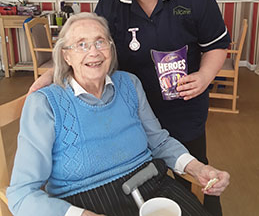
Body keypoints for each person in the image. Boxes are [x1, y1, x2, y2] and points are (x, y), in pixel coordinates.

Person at [28, 0, 231, 215]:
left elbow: (216, 45)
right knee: (152, 172)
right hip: (132, 109)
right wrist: (55, 70)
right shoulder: (111, 4)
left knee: (193, 172)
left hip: (184, 105)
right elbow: (89, 47)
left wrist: (204, 75)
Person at [7, 13, 229, 216]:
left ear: (111, 49)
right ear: (66, 56)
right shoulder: (44, 104)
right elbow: (22, 194)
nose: (93, 51)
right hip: (84, 202)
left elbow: (159, 142)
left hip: (153, 184)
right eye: (81, 45)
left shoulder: (129, 83)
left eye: (100, 42)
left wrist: (198, 168)